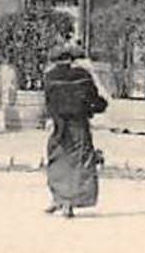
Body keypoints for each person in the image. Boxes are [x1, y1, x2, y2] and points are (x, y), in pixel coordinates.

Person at [41, 44, 108, 217]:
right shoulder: (82, 75)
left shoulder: (50, 76)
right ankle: (69, 202)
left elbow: (48, 102)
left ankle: (59, 198)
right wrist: (97, 107)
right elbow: (94, 99)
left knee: (57, 160)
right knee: (79, 162)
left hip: (59, 126)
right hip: (79, 124)